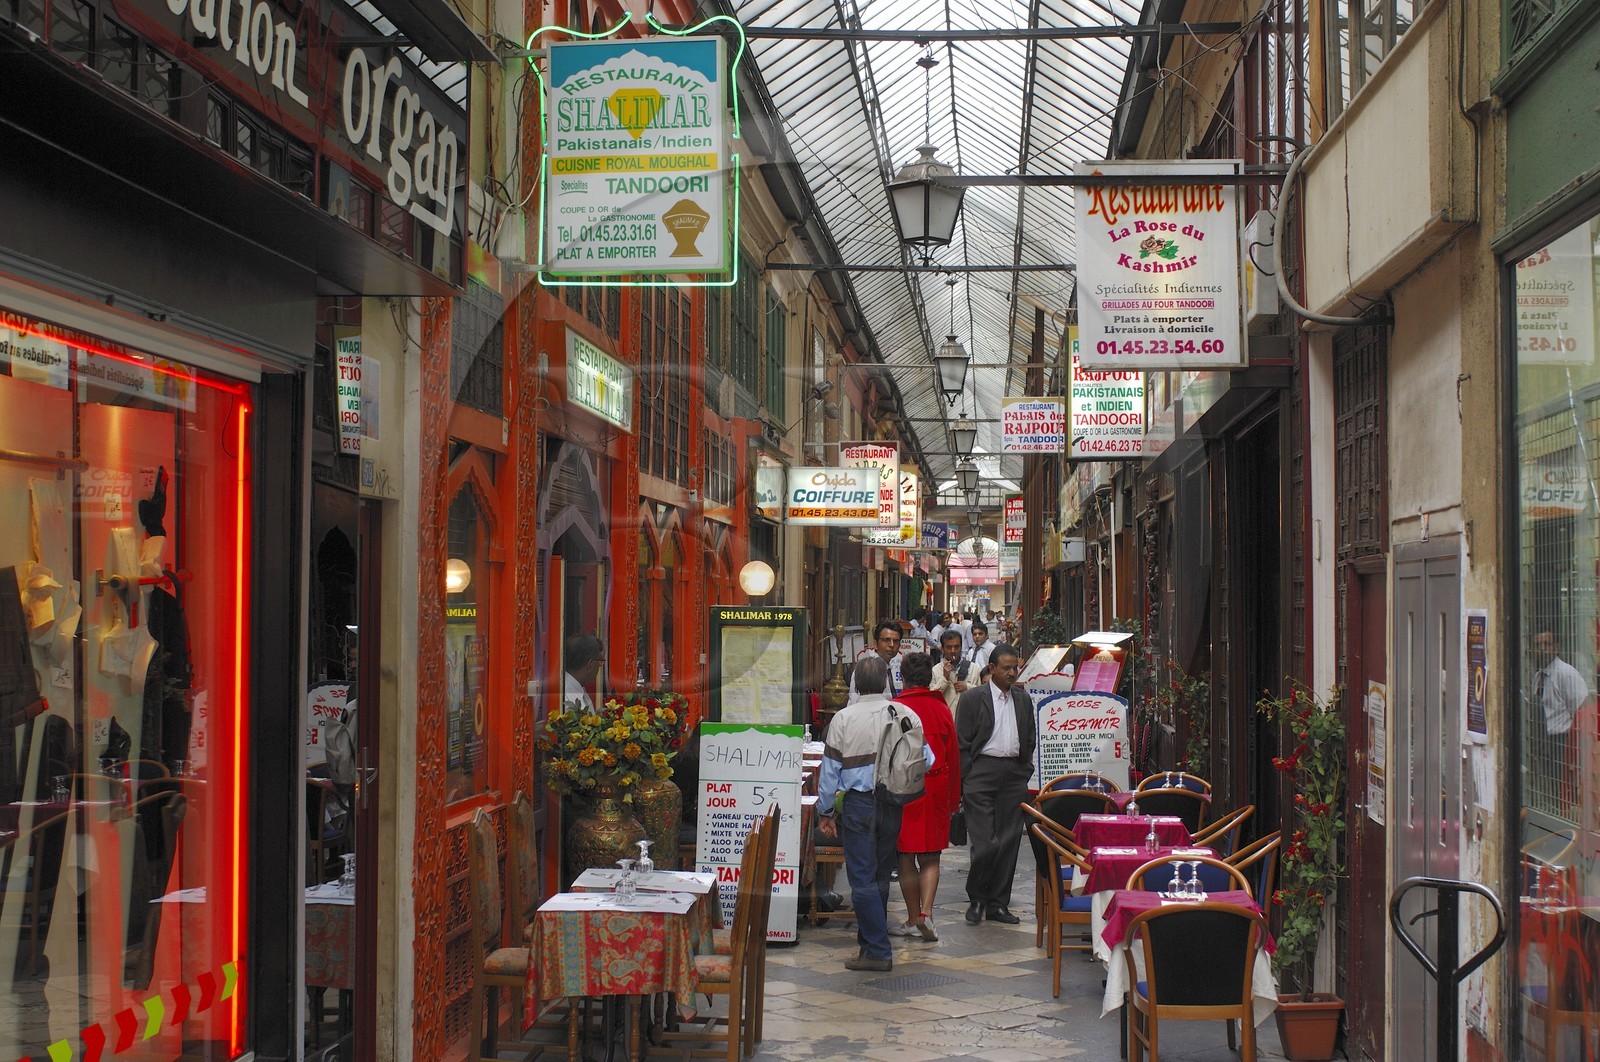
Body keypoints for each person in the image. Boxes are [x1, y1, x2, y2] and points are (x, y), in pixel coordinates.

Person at [816, 655, 933, 971]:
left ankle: (878, 950)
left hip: (858, 805)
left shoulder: (843, 718)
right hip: (893, 804)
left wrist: (825, 811)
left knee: (862, 879)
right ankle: (869, 944)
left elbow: (830, 772)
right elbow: (929, 760)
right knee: (880, 876)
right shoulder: (904, 713)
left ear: (856, 682)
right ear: (885, 681)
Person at [955, 644, 1035, 925]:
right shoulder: (972, 699)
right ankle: (977, 898)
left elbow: (1029, 740)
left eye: (1015, 668)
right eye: (1006, 668)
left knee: (1009, 841)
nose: (1013, 673)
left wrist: (1024, 771)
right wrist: (968, 777)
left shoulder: (1023, 700)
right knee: (986, 842)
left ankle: (998, 904)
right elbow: (961, 743)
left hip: (1013, 775)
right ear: (992, 669)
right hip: (981, 774)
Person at [888, 652, 960, 941]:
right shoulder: (941, 709)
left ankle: (911, 916)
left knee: (905, 856)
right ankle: (928, 914)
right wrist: (955, 797)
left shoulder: (895, 709)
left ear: (902, 677)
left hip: (904, 789)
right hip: (936, 787)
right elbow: (954, 756)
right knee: (931, 857)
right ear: (930, 677)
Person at [1532, 630, 1592, 811]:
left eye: (1547, 644)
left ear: (1556, 647)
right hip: (1544, 742)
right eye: (1538, 645)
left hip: (1563, 742)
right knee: (1550, 789)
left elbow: (1582, 712)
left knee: (1565, 792)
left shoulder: (1566, 674)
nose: (1542, 649)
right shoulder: (1538, 676)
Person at [848, 621, 904, 703]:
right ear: (876, 644)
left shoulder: (893, 668)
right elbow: (855, 701)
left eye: (895, 641)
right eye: (886, 640)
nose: (891, 645)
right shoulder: (867, 669)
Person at [930, 629, 973, 715]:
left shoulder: (974, 669)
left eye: (956, 647)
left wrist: (967, 687)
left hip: (967, 721)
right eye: (949, 647)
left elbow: (982, 693)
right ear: (942, 649)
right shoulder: (935, 670)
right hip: (944, 721)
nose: (953, 651)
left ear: (961, 647)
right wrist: (944, 679)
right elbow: (931, 697)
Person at [563, 633, 602, 712]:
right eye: (600, 661)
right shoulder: (566, 695)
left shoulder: (579, 688)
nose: (600, 665)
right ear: (590, 664)